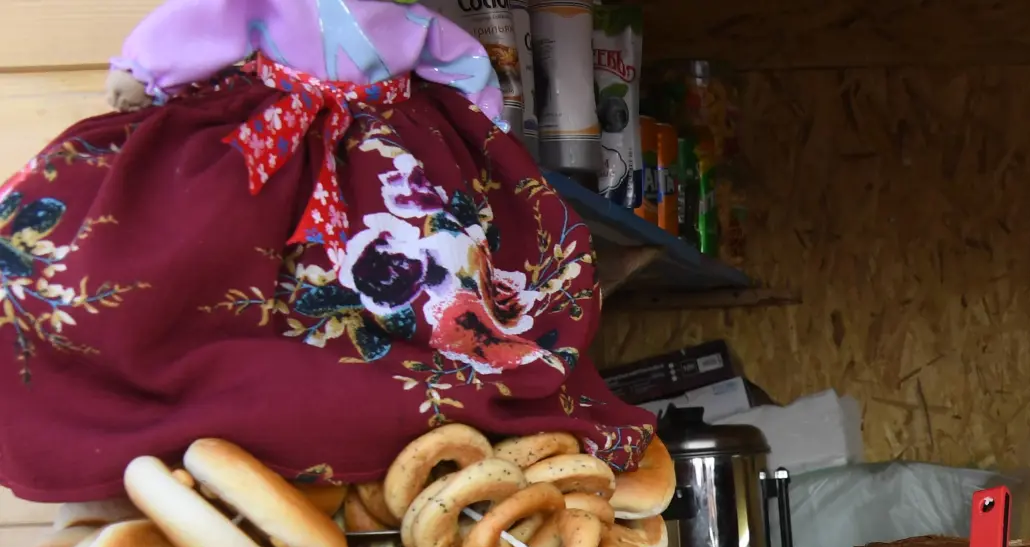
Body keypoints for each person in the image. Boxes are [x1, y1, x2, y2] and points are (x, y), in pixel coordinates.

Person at [0, 0, 655, 503]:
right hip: (276, 135)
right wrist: (146, 69)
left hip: (388, 147)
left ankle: (385, 374)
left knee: (434, 270)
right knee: (210, 250)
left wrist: (482, 127)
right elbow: (210, 18)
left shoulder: (407, 17)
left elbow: (455, 56)